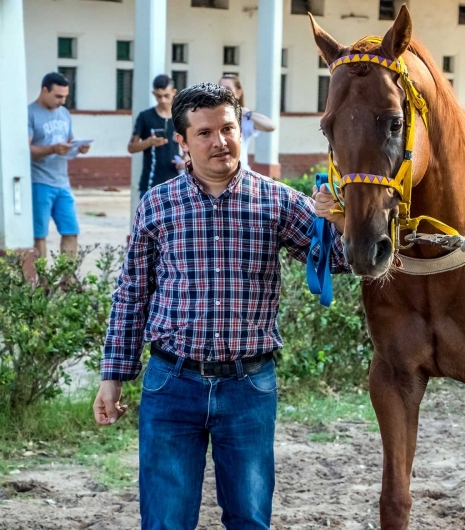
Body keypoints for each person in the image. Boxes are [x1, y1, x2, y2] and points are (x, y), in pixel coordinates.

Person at [93, 83, 347, 529]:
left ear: (240, 129)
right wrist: (112, 378)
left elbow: (343, 259)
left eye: (228, 128)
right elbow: (132, 292)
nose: (219, 141)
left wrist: (340, 217)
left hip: (248, 387)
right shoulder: (157, 204)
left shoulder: (279, 201)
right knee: (165, 520)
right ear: (183, 142)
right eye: (205, 132)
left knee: (249, 519)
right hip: (170, 385)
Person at [28, 72, 90, 258]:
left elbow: (68, 142)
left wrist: (78, 147)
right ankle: (43, 282)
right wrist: (52, 149)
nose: (62, 101)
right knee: (39, 235)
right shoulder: (30, 113)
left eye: (65, 96)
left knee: (71, 231)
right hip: (39, 182)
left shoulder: (64, 113)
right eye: (58, 96)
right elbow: (25, 150)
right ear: (44, 90)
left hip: (62, 182)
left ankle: (67, 280)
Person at [128, 74, 183, 199]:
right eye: (159, 96)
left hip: (176, 183)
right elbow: (131, 147)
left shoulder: (181, 118)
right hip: (150, 183)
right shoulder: (145, 117)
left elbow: (191, 145)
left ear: (174, 92)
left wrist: (185, 161)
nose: (162, 100)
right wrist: (149, 142)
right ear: (153, 94)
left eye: (166, 96)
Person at [218, 74, 275, 171]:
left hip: (241, 174)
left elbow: (270, 126)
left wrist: (247, 113)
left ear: (238, 92)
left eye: (228, 89)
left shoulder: (243, 117)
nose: (223, 93)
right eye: (220, 89)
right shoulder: (212, 115)